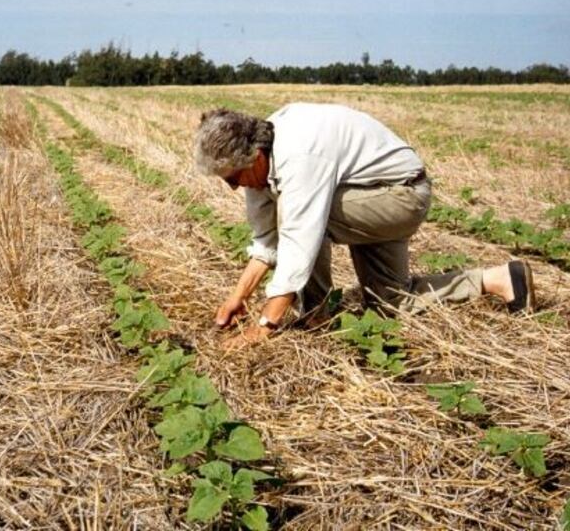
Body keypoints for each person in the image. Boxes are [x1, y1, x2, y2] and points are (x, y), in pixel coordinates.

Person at [193, 103, 535, 349]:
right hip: (372, 196)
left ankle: (317, 313)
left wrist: (264, 326)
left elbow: (297, 241)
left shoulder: (298, 156)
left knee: (305, 219)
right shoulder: (260, 163)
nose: (235, 188)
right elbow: (267, 241)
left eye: (234, 179)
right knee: (390, 303)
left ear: (253, 156)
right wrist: (237, 297)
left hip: (400, 196)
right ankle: (497, 279)